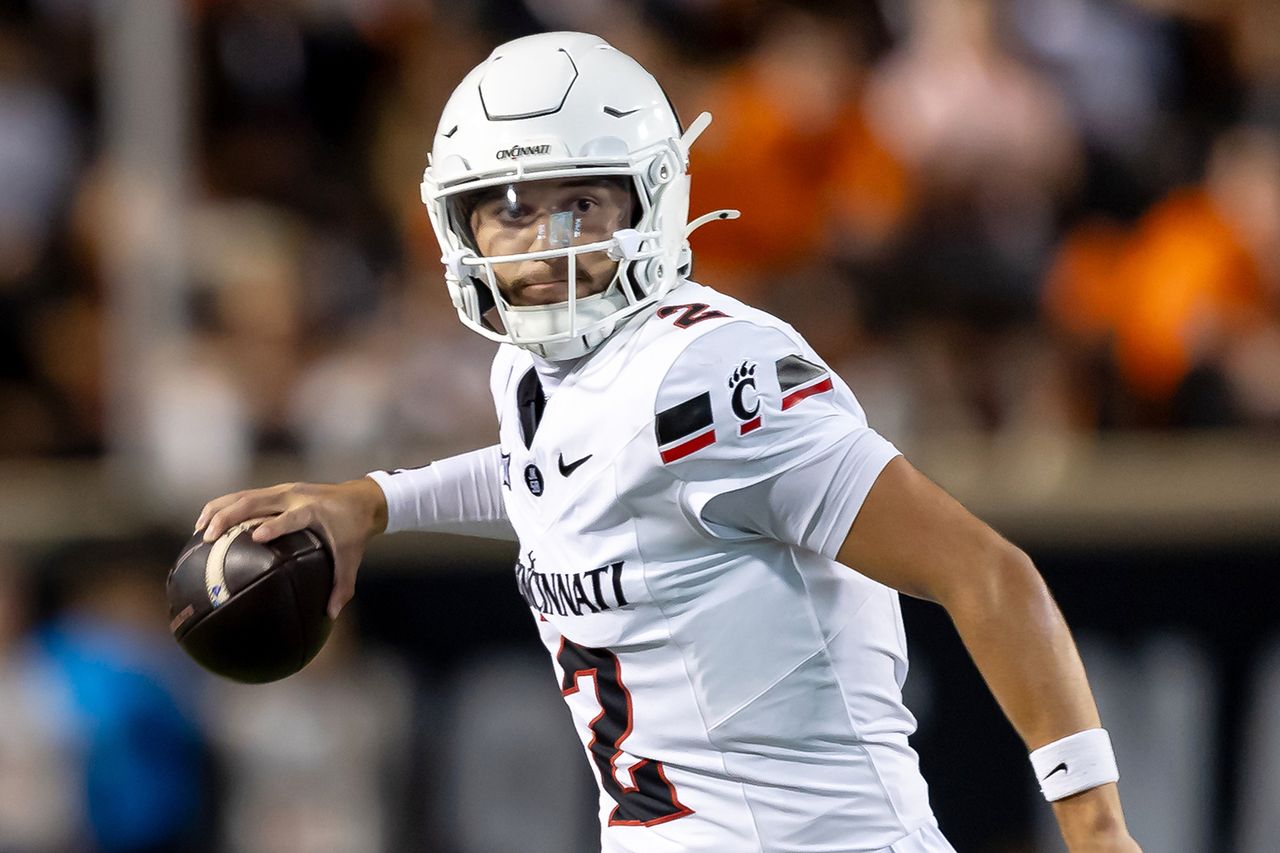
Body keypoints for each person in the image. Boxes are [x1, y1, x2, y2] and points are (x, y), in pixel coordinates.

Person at [196, 32, 1141, 853]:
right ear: (460, 220)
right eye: (511, 207)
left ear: (651, 200)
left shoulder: (709, 379)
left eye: (580, 205)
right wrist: (376, 500)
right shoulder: (535, 372)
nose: (542, 246)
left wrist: (1095, 827)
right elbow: (559, 475)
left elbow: (988, 573)